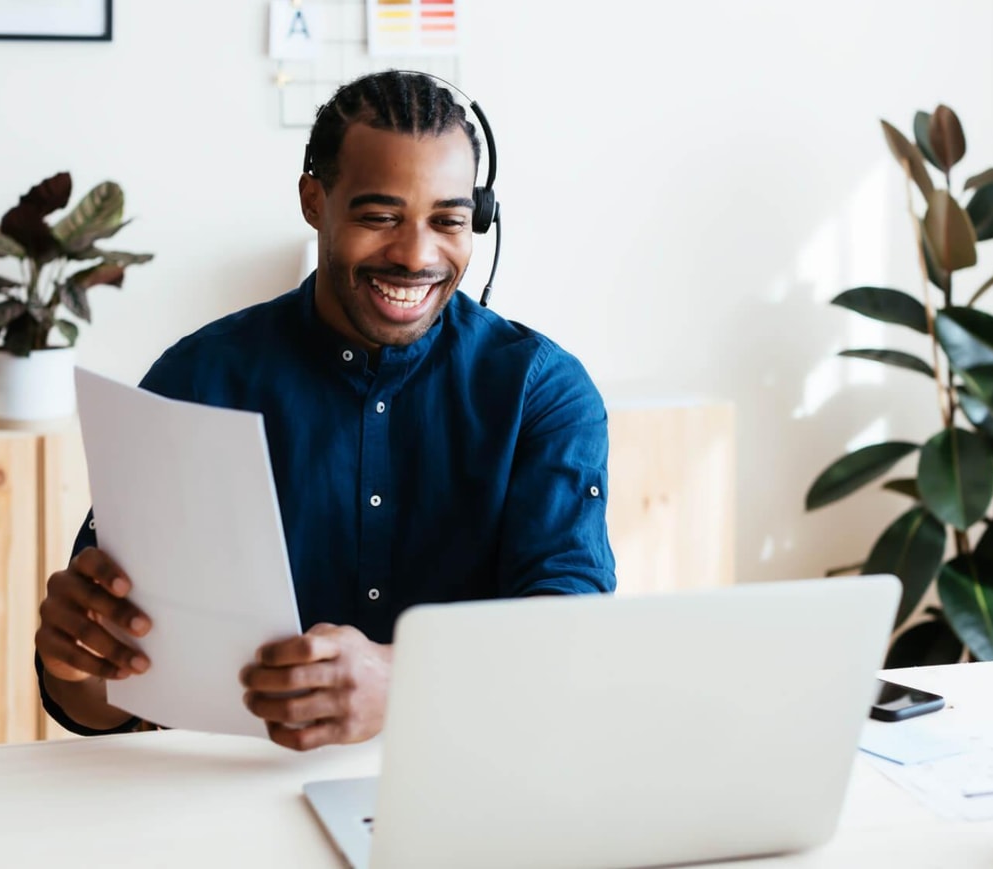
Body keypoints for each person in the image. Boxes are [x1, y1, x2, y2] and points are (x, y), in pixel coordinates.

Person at [33, 70, 616, 751]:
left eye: (449, 221)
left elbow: (569, 644)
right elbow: (102, 703)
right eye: (380, 216)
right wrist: (72, 663)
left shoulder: (541, 394)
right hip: (227, 799)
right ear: (315, 200)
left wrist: (406, 681)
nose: (417, 254)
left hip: (476, 782)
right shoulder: (196, 378)